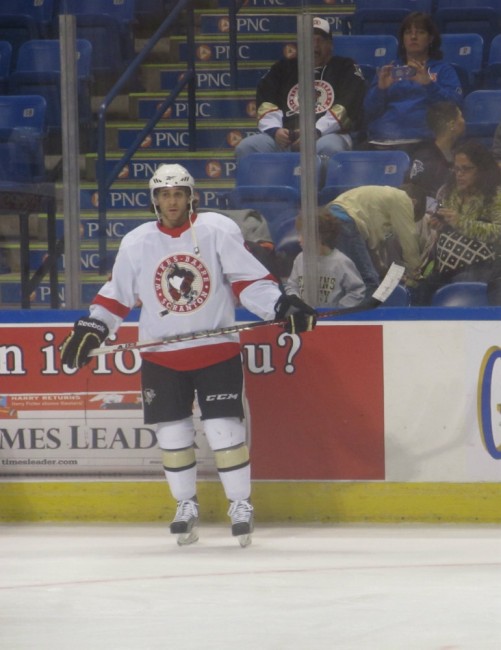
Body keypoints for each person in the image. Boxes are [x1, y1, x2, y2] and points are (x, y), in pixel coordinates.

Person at [60, 163, 316, 547]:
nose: (172, 201)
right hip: (163, 356)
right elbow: (117, 295)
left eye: (179, 193)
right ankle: (185, 505)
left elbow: (248, 280)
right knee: (173, 434)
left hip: (215, 351)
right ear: (154, 199)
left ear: (190, 196)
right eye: (165, 194)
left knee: (224, 431)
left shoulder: (216, 230)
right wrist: (94, 326)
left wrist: (280, 307)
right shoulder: (137, 241)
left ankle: (241, 504)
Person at [235, 16, 366, 161]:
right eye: (309, 40)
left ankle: (322, 184)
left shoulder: (345, 67)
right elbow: (266, 99)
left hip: (329, 135)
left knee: (328, 148)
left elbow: (349, 103)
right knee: (247, 147)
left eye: (320, 40)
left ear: (331, 45)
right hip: (286, 138)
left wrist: (316, 131)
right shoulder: (282, 69)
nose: (314, 46)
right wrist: (275, 131)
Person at [416, 140, 501, 304]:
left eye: (466, 169)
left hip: (482, 263)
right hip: (444, 263)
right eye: (456, 169)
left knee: (463, 281)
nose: (459, 174)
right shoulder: (447, 192)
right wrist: (439, 224)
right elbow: (443, 220)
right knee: (421, 290)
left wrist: (461, 222)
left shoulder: (496, 195)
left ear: (482, 170)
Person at [363, 12, 463, 153]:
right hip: (383, 140)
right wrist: (381, 90)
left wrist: (429, 85)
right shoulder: (389, 70)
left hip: (424, 143)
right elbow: (369, 112)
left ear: (431, 39)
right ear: (403, 39)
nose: (413, 37)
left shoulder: (443, 70)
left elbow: (455, 106)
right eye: (408, 32)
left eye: (420, 32)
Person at [326, 184, 427, 291]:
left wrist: (383, 272)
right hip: (346, 221)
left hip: (332, 219)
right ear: (413, 202)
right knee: (368, 281)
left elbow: (371, 249)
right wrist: (415, 273)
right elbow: (408, 239)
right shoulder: (403, 198)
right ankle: (368, 308)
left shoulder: (379, 202)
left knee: (349, 277)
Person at [286, 208, 366, 308]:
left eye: (303, 235)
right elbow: (292, 287)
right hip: (305, 317)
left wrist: (338, 310)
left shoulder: (341, 262)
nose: (299, 239)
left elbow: (356, 292)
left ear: (320, 236)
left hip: (331, 320)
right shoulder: (300, 259)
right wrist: (297, 303)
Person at [408, 101, 466, 198]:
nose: (464, 121)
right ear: (452, 124)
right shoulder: (425, 158)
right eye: (461, 116)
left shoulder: (463, 150)